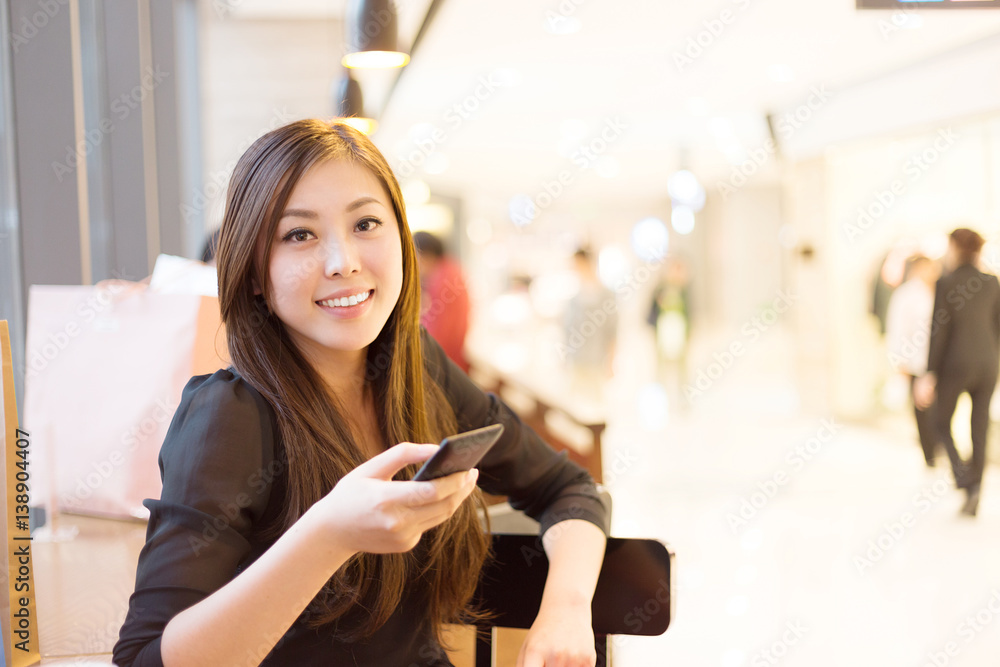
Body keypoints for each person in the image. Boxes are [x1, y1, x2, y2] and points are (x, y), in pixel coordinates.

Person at [113, 120, 608, 666]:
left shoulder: (413, 367)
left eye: (366, 223)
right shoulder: (228, 415)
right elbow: (144, 659)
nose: (343, 261)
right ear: (255, 272)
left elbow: (569, 488)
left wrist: (566, 607)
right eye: (298, 234)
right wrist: (328, 533)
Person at [916, 228, 1000, 517]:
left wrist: (929, 372)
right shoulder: (992, 282)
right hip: (988, 364)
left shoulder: (946, 282)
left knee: (940, 422)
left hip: (956, 364)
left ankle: (964, 478)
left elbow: (939, 330)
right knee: (980, 427)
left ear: (955, 248)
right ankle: (977, 487)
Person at [885, 255, 940, 467]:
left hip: (935, 360)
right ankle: (930, 454)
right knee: (922, 408)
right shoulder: (906, 294)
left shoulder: (937, 290)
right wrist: (901, 361)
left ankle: (936, 446)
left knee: (937, 407)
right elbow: (897, 329)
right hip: (915, 360)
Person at [562, 248, 617, 398]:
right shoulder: (575, 298)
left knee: (595, 402)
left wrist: (611, 362)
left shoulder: (606, 296)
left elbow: (611, 331)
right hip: (577, 360)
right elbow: (568, 330)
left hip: (597, 361)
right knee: (575, 400)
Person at [413, 231, 471, 373]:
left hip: (447, 363)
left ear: (425, 255)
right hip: (453, 356)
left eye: (415, 257)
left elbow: (438, 330)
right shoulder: (449, 269)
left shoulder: (443, 279)